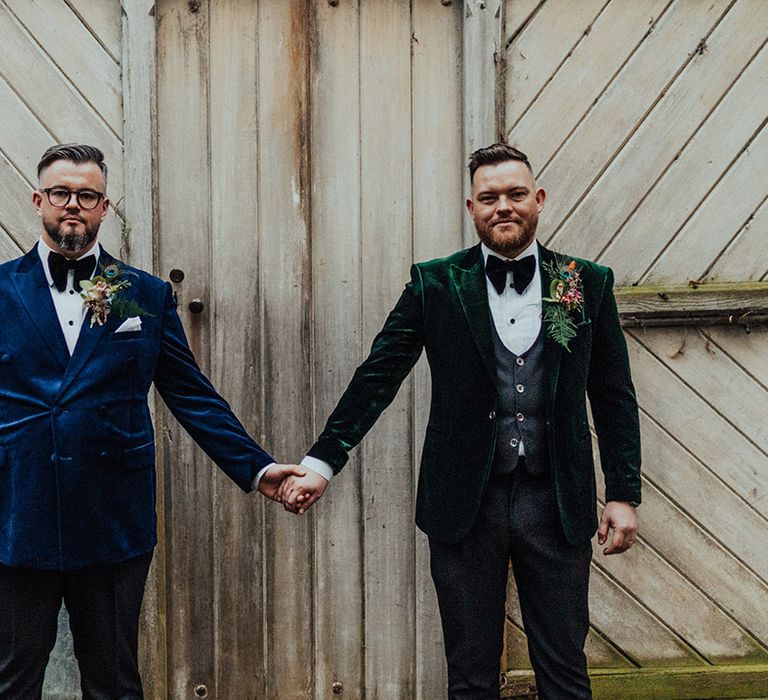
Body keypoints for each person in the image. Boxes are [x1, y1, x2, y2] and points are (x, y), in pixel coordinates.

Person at [281, 144, 642, 698]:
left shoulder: (585, 282)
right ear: (471, 208)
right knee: (470, 673)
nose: (504, 206)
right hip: (464, 502)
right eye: (490, 197)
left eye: (516, 194)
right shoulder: (436, 283)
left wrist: (622, 493)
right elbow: (377, 377)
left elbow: (613, 395)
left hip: (557, 501)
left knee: (566, 669)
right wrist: (321, 463)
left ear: (538, 200)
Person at [0, 143, 302, 699]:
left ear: (104, 206)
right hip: (18, 515)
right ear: (38, 200)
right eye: (62, 193)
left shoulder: (147, 294)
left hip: (114, 518)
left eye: (86, 195)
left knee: (114, 678)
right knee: (13, 677)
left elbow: (193, 397)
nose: (74, 204)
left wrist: (259, 471)